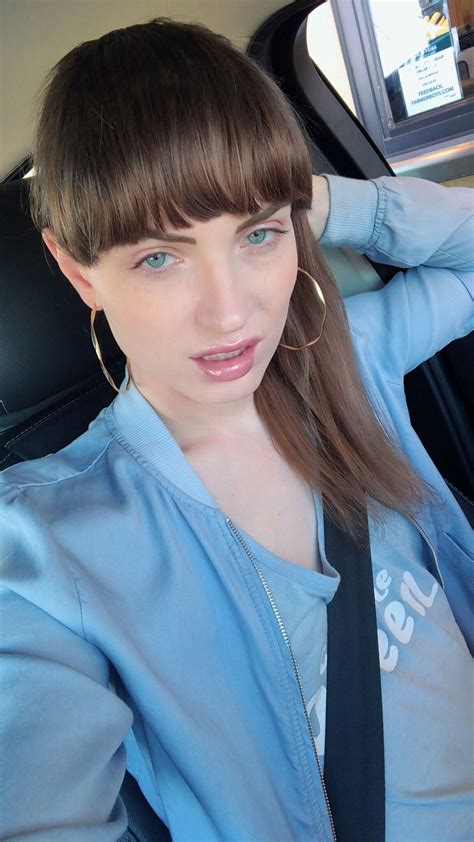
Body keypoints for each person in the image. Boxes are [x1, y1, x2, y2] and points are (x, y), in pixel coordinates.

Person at [1, 16, 473, 842]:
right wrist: (256, 209)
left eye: (258, 235)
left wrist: (312, 200)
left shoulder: (351, 362)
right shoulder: (46, 548)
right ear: (80, 274)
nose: (230, 313)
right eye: (158, 256)